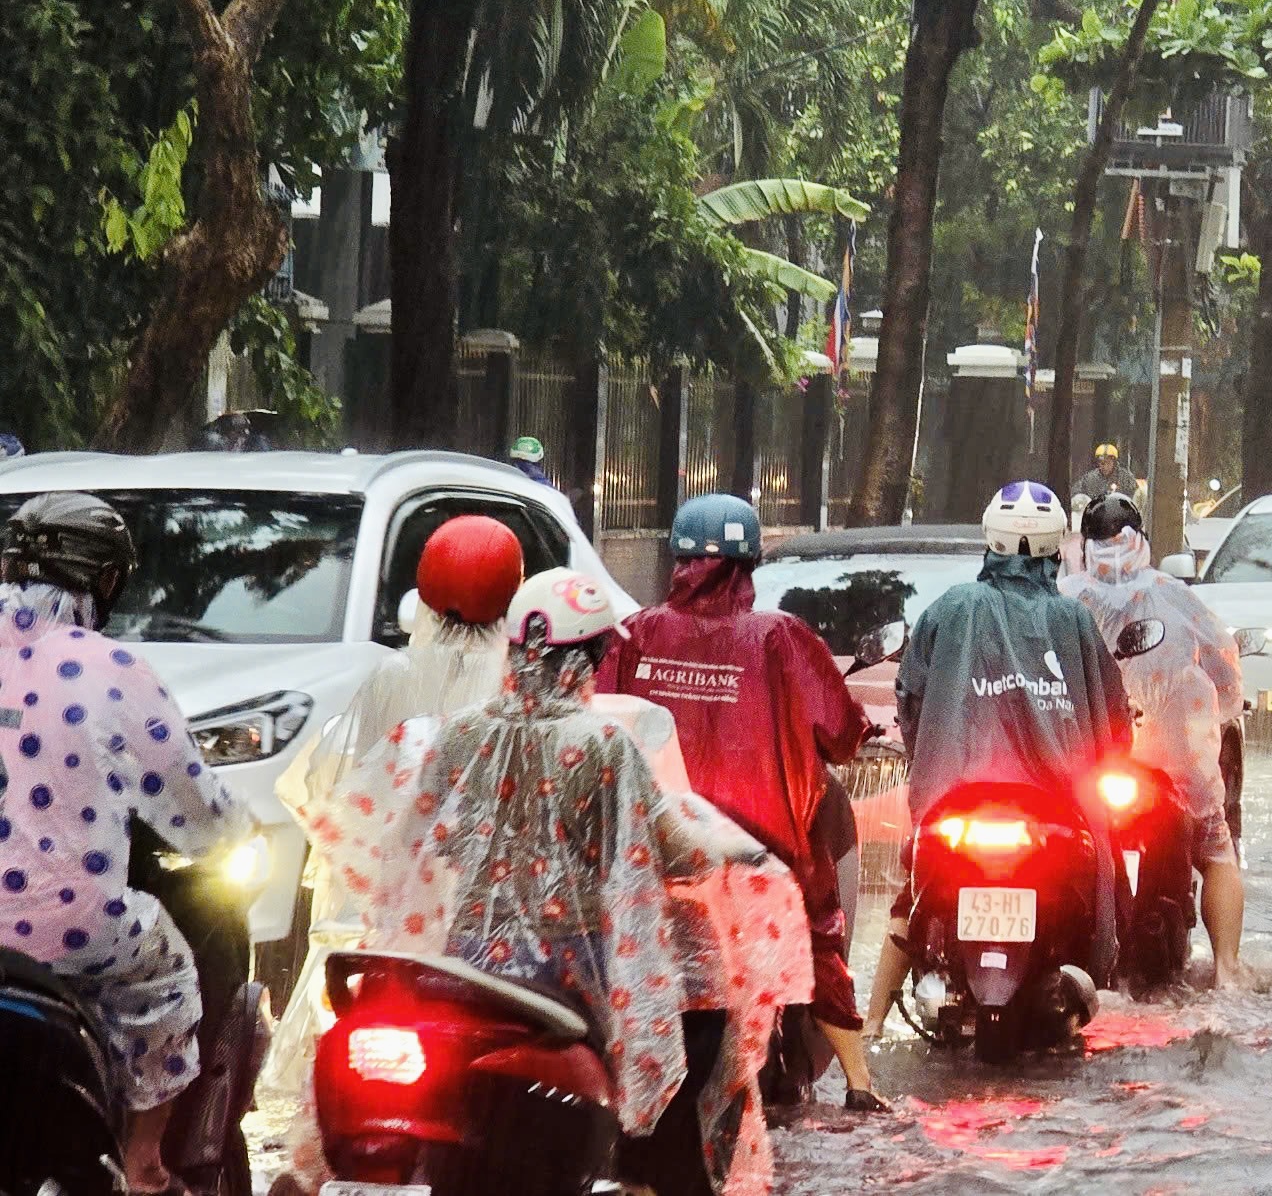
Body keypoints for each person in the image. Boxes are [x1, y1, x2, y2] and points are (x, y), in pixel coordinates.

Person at [312, 569, 806, 1196]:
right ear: (588, 658)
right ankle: (647, 1171)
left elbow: (415, 837)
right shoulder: (603, 744)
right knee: (696, 1024)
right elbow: (665, 845)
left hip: (466, 962)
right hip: (568, 971)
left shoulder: (460, 731)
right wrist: (741, 851)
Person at [0, 493, 251, 1193]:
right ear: (107, 581)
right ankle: (144, 1163)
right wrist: (237, 831)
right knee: (167, 971)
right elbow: (197, 811)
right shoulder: (107, 668)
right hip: (72, 935)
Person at [596, 493, 880, 1110]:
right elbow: (839, 731)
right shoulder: (782, 637)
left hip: (659, 850)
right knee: (818, 934)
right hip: (765, 853)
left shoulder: (635, 633)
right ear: (748, 562)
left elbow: (600, 722)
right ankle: (860, 1085)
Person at [265, 515, 522, 1101]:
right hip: (486, 911)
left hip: (394, 905)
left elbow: (346, 777)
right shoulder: (519, 675)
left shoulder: (393, 674)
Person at [863, 481, 1135, 1034]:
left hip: (952, 800)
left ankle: (868, 1027)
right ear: (1057, 546)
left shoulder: (951, 608)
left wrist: (925, 758)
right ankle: (1100, 977)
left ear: (992, 539)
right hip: (1057, 813)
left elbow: (910, 700)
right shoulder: (1075, 620)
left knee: (910, 897)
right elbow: (1112, 719)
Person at [1059, 494, 1252, 988]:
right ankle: (1228, 970)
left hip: (1092, 766)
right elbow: (1226, 674)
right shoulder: (1175, 594)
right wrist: (1224, 709)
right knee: (1215, 848)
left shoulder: (1065, 599)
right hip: (1176, 768)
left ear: (1084, 543)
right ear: (1140, 539)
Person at [1071, 443, 1142, 506]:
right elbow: (1075, 495)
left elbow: (1137, 498)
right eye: (1102, 463)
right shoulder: (1089, 479)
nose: (1105, 467)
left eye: (1108, 463)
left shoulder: (1126, 478)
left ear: (1114, 463)